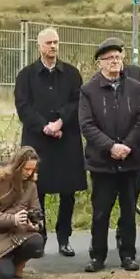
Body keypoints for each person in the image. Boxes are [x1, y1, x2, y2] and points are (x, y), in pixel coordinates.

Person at [79, 38, 140, 273]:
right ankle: (97, 255)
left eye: (118, 58)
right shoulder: (88, 90)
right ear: (100, 63)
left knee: (129, 211)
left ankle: (128, 254)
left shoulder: (134, 87)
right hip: (102, 163)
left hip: (131, 161)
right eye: (110, 59)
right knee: (101, 212)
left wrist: (127, 145)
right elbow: (87, 125)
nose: (115, 62)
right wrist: (111, 147)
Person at [14, 28, 85, 257]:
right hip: (38, 142)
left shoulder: (72, 74)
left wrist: (61, 122)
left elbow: (78, 102)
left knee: (67, 192)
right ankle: (39, 236)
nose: (53, 46)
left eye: (56, 42)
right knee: (37, 190)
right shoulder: (26, 75)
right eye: (48, 43)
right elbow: (23, 106)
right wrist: (45, 126)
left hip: (66, 141)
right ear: (39, 46)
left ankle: (64, 238)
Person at [0, 147, 46, 279]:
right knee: (3, 276)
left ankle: (17, 263)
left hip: (18, 233)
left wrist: (34, 224)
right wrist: (13, 219)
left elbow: (37, 212)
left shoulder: (31, 185)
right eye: (26, 169)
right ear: (17, 165)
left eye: (32, 169)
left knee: (37, 242)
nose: (29, 172)